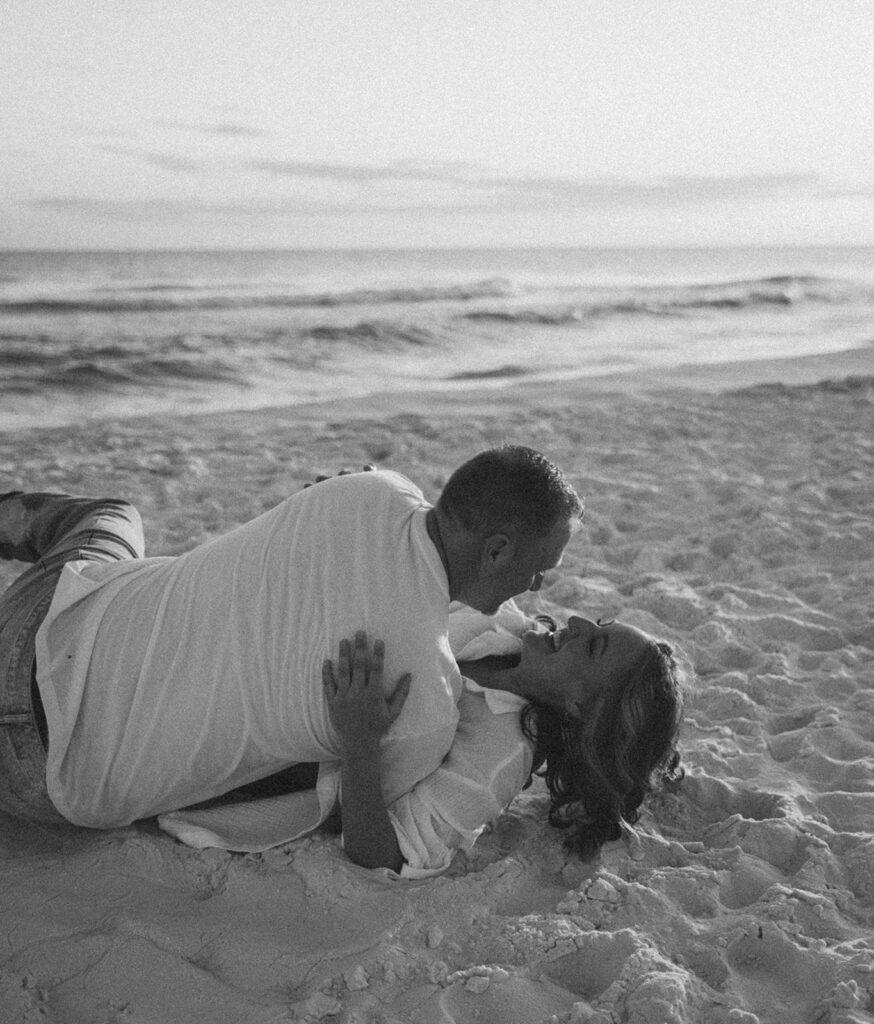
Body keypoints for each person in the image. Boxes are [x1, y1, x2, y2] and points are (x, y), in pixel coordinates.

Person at [0, 447, 583, 860]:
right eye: (541, 568)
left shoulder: (369, 489)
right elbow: (356, 829)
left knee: (112, 517)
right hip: (40, 768)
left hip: (50, 620)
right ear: (497, 551)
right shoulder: (422, 701)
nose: (537, 586)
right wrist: (358, 742)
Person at [316, 607, 684, 875]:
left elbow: (384, 855)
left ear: (581, 706)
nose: (576, 622)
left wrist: (359, 739)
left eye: (593, 646)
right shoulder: (504, 618)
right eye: (599, 623)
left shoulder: (498, 756)